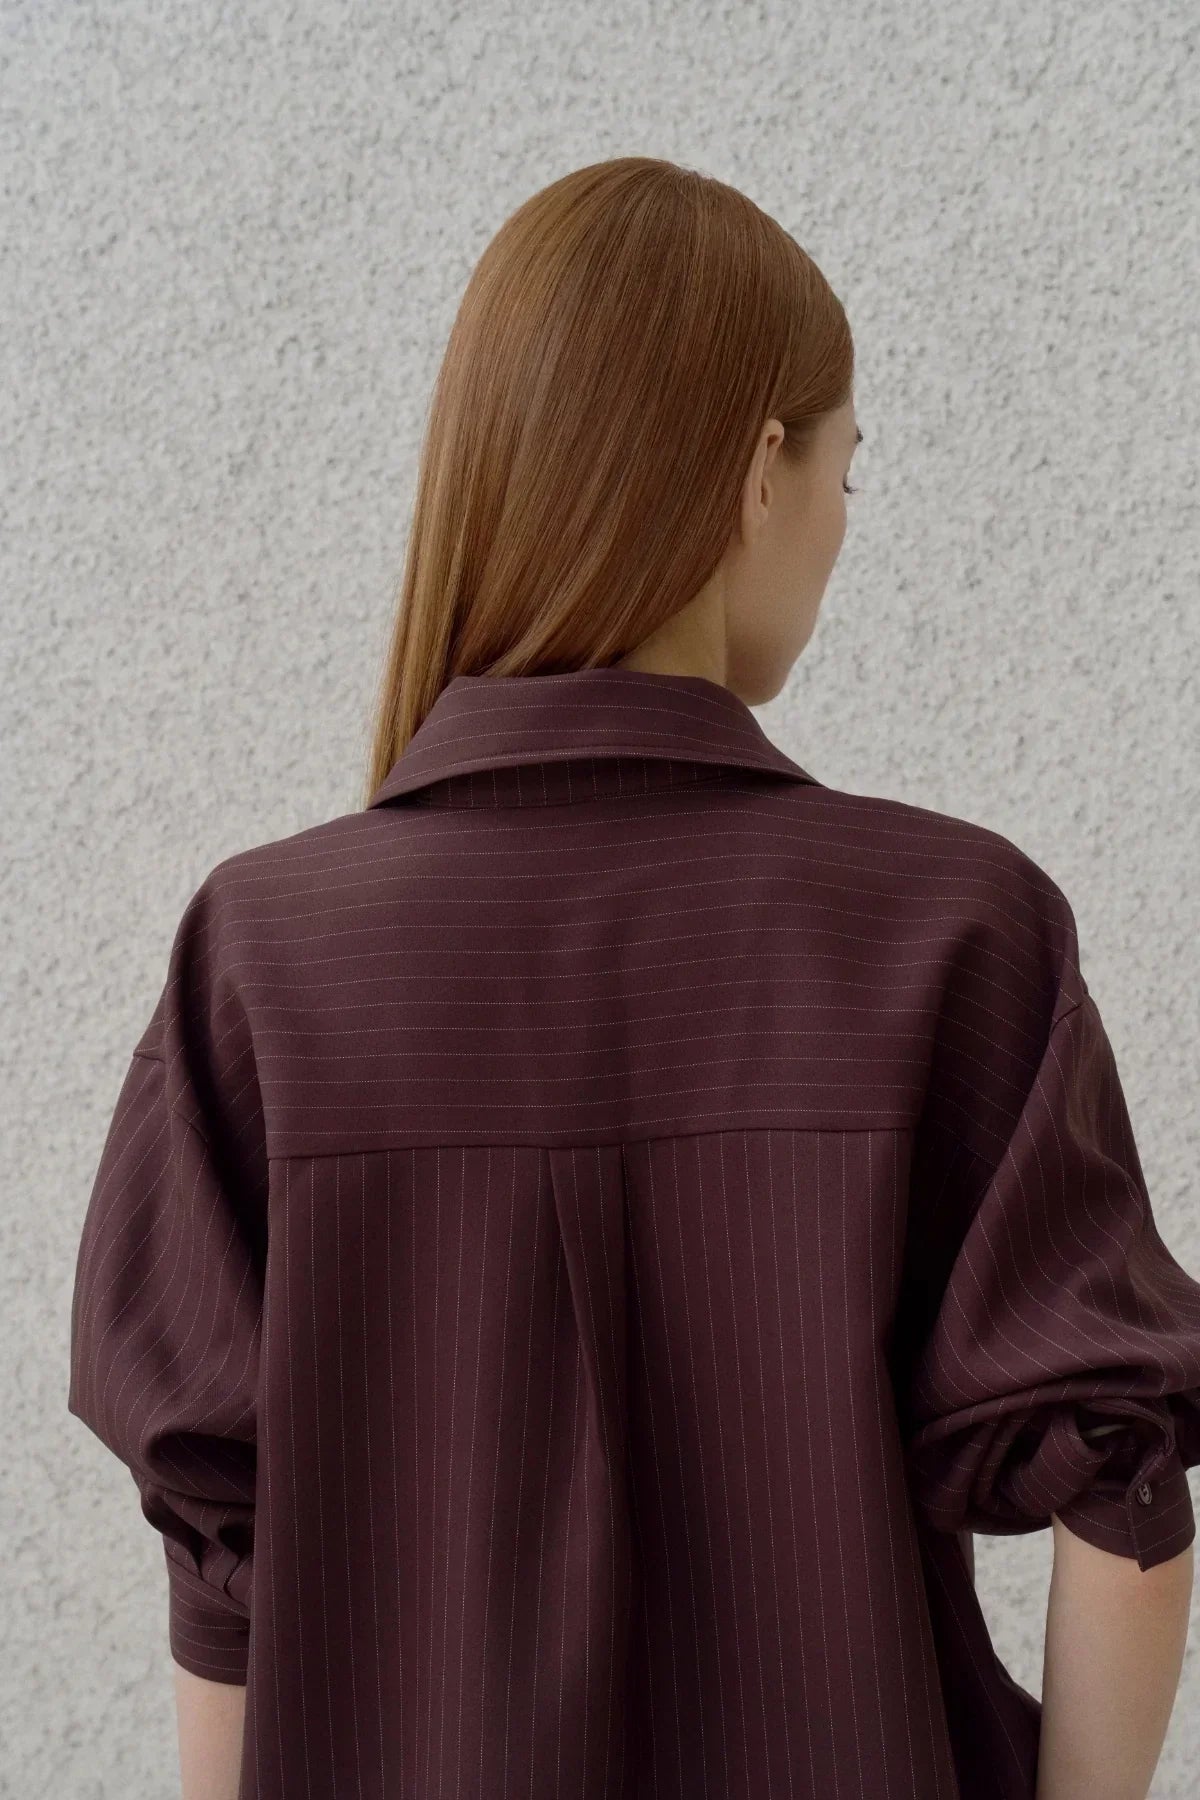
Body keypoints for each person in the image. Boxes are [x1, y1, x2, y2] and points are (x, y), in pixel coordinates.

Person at [66, 155, 1199, 1800]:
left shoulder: (261, 964)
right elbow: (1123, 1483)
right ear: (758, 472)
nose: (835, 530)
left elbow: (223, 1559)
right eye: (846, 475)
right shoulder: (954, 930)